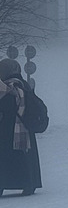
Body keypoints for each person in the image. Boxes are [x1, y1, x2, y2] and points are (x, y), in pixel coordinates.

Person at [0, 58, 43, 196]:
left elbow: (8, 107)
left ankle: (5, 183)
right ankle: (29, 183)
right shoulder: (24, 84)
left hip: (8, 128)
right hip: (24, 129)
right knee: (25, 157)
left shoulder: (9, 87)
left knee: (6, 159)